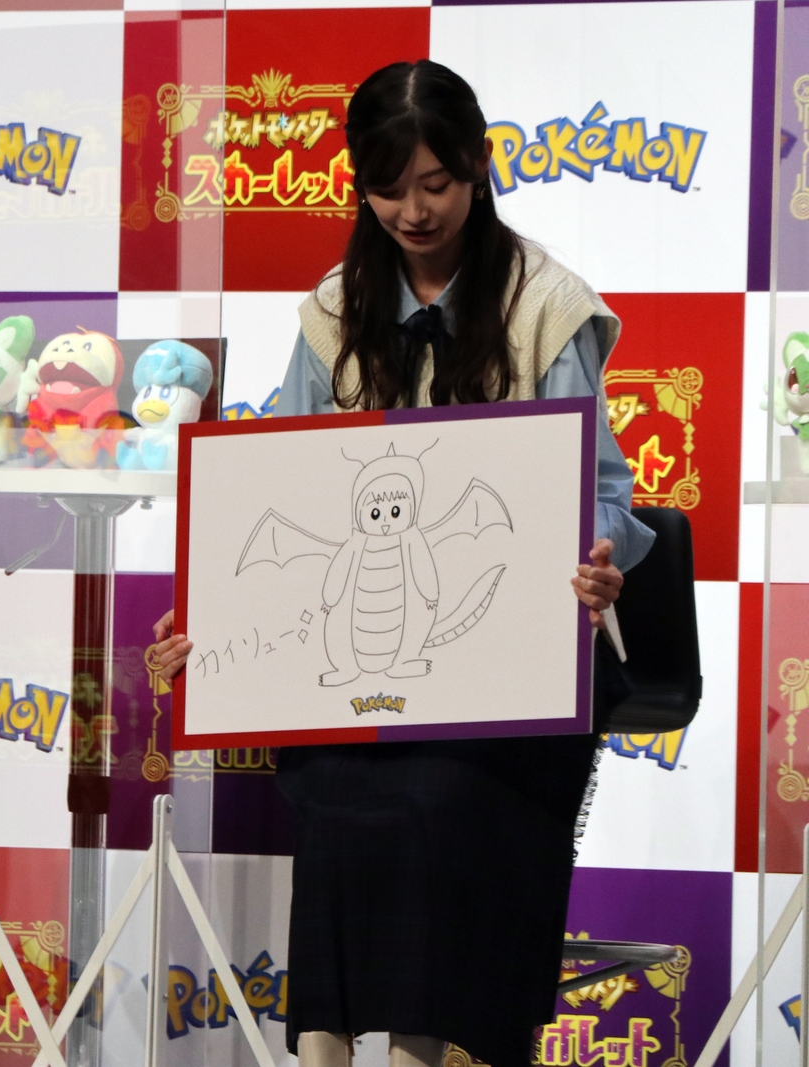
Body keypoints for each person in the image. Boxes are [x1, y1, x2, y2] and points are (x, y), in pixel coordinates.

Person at [150, 60, 652, 1067]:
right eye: (388, 188)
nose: (414, 211)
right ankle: (323, 1044)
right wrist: (211, 615)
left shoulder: (545, 304)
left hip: (508, 676)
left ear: (478, 167)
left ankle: (424, 1047)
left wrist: (595, 561)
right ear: (360, 185)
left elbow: (605, 491)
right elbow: (280, 482)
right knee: (336, 787)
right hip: (356, 675)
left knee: (442, 794)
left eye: (436, 183)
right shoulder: (331, 313)